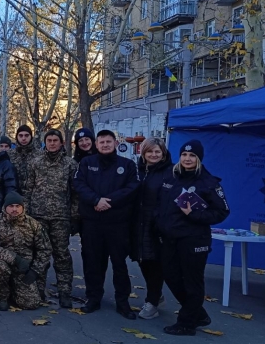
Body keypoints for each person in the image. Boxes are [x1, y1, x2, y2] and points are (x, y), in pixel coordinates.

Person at [156, 140, 230, 336]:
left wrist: (194, 215)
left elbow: (222, 212)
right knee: (171, 277)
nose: (187, 159)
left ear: (198, 159)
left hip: (194, 240)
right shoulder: (171, 178)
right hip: (170, 239)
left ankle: (186, 324)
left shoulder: (209, 183)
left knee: (192, 282)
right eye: (184, 155)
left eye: (192, 156)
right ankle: (198, 313)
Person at [73, 129, 140, 318]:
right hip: (92, 223)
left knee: (120, 264)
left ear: (115, 144)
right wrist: (95, 200)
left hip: (117, 223)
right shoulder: (86, 163)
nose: (105, 145)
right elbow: (79, 184)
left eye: (108, 142)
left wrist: (108, 201)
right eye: (101, 142)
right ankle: (93, 298)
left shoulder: (127, 165)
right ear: (96, 144)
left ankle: (123, 302)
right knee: (93, 263)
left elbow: (132, 187)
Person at [23, 129, 78, 308]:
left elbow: (75, 193)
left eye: (55, 140)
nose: (52, 143)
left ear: (62, 143)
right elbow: (28, 189)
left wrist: (74, 216)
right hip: (38, 216)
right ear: (45, 142)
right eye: (49, 140)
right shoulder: (35, 162)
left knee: (61, 255)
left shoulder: (70, 164)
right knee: (40, 255)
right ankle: (39, 290)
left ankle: (64, 292)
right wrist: (27, 214)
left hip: (61, 217)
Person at [0, 192, 51, 311]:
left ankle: (15, 290)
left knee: (31, 303)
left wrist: (35, 271)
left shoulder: (33, 224)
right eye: (11, 206)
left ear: (22, 207)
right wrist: (15, 259)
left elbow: (45, 250)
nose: (14, 209)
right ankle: (2, 296)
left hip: (24, 269)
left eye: (17, 206)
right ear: (5, 207)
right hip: (4, 264)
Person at [132, 138, 173, 320]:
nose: (153, 155)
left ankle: (152, 302)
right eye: (150, 152)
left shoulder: (171, 172)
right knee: (142, 259)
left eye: (157, 152)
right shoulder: (137, 170)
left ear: (163, 153)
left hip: (158, 224)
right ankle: (155, 293)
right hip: (138, 222)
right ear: (143, 153)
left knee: (156, 263)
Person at [9, 124, 40, 194]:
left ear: (31, 137)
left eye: (26, 135)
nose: (23, 138)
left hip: (34, 195)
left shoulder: (39, 155)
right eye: (20, 135)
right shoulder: (10, 154)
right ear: (16, 137)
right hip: (14, 194)